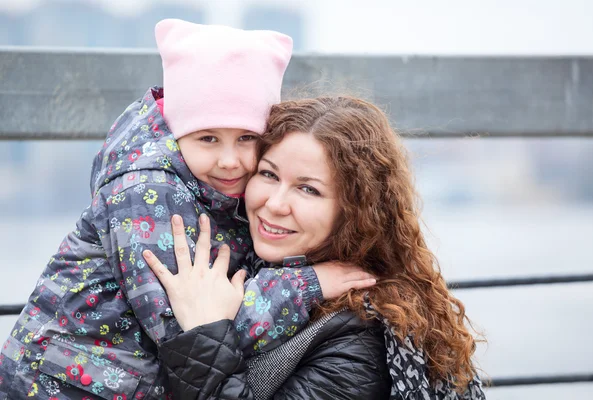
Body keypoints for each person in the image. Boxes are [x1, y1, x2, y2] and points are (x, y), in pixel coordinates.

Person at [0, 22, 375, 399]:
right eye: (208, 138)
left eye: (247, 138)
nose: (230, 161)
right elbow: (189, 327)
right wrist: (304, 285)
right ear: (176, 133)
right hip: (57, 384)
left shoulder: (207, 188)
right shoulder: (145, 193)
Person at [143, 96, 487, 399]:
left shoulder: (361, 340)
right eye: (269, 175)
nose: (274, 204)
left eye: (308, 190)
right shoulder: (247, 268)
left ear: (355, 212)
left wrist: (205, 332)